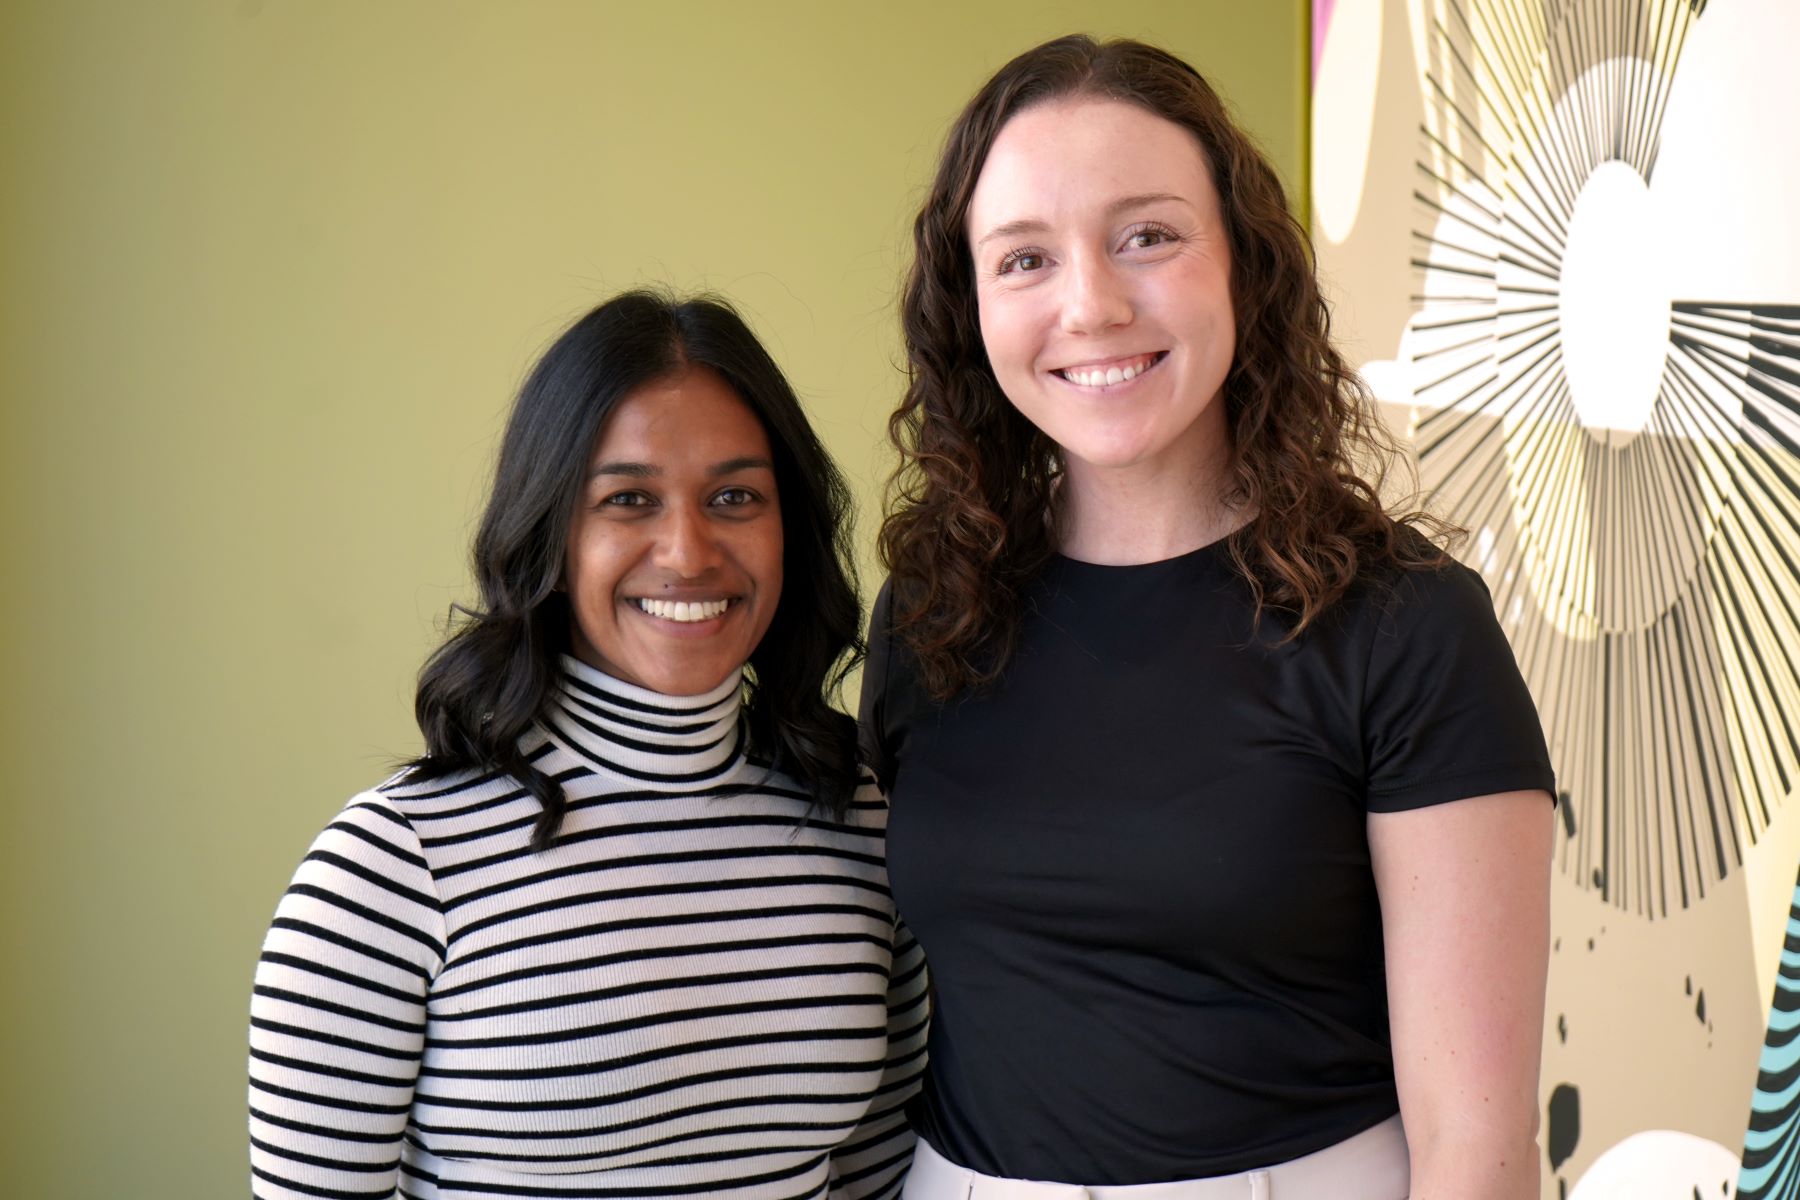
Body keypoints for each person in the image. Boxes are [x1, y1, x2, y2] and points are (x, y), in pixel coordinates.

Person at [863, 35, 1554, 1200]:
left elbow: (1475, 1148)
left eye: (1148, 235)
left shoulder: (1407, 624)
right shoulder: (933, 612)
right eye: (1024, 258)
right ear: (970, 308)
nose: (1090, 303)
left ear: (1244, 263)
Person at [248, 290, 928, 1200]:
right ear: (551, 531)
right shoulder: (394, 866)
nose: (688, 552)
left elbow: (880, 1179)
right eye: (628, 499)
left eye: (735, 496)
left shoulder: (862, 824)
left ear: (787, 530)